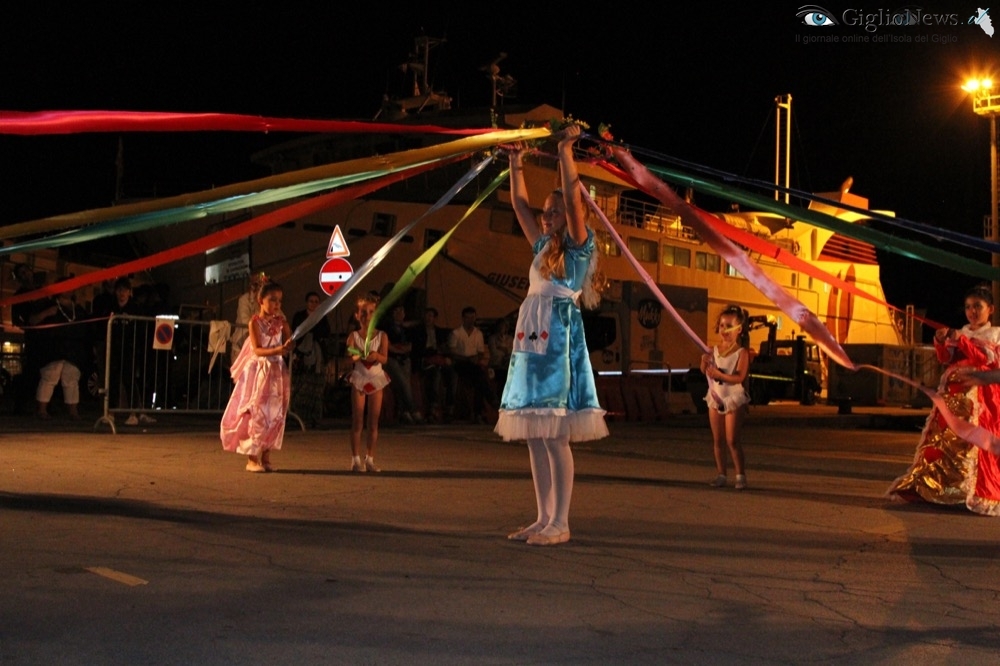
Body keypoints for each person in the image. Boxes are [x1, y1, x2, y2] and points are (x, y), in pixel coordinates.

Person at [497, 124, 608, 547]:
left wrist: (565, 151)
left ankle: (560, 521)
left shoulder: (579, 244)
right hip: (531, 340)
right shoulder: (542, 244)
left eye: (554, 211)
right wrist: (515, 159)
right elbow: (518, 202)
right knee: (535, 435)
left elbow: (574, 201)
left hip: (558, 338)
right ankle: (543, 517)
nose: (547, 216)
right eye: (547, 211)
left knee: (555, 434)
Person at [888, 285, 1000, 514]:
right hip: (952, 396)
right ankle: (939, 489)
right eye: (968, 307)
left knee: (974, 446)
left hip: (979, 400)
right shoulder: (962, 332)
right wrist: (941, 341)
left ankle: (976, 492)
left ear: (991, 309)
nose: (972, 312)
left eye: (977, 307)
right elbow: (945, 358)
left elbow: (987, 360)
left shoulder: (995, 334)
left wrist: (963, 341)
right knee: (946, 443)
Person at [220, 281, 294, 473]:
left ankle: (267, 456)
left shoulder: (281, 323)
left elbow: (290, 342)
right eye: (272, 300)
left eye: (279, 301)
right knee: (257, 413)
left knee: (275, 413)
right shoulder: (255, 322)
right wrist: (279, 349)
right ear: (261, 300)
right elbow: (258, 349)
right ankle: (252, 458)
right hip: (260, 372)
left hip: (276, 371)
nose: (277, 304)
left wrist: (289, 343)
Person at [700, 305, 751, 490]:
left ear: (739, 329)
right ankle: (721, 474)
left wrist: (720, 375)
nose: (724, 330)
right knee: (718, 439)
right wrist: (703, 363)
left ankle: (740, 475)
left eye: (729, 326)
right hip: (715, 397)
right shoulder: (714, 350)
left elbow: (739, 377)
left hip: (732, 398)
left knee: (732, 440)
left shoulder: (742, 353)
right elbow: (706, 372)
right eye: (721, 325)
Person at [346, 293, 390, 472]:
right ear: (357, 315)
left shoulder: (382, 336)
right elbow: (350, 355)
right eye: (363, 312)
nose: (367, 316)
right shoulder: (353, 336)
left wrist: (375, 356)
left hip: (376, 379)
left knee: (373, 421)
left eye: (371, 312)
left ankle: (370, 458)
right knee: (357, 420)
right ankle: (355, 459)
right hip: (359, 379)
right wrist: (357, 355)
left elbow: (384, 358)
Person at [31, 288, 90, 420]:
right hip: (53, 347)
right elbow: (32, 320)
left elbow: (86, 329)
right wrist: (46, 313)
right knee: (50, 377)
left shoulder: (78, 309)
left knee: (72, 379)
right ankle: (41, 410)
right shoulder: (49, 305)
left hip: (73, 348)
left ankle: (73, 412)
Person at [445, 306, 497, 423]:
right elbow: (452, 352)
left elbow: (481, 352)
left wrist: (476, 358)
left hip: (473, 364)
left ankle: (479, 411)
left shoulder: (478, 333)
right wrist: (467, 358)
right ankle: (489, 402)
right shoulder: (456, 333)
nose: (470, 320)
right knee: (478, 376)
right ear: (463, 318)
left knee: (479, 379)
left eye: (472, 317)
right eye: (468, 318)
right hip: (460, 363)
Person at [290, 291, 331, 428]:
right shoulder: (300, 316)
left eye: (316, 301)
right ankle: (299, 416)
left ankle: (315, 418)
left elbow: (325, 332)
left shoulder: (322, 316)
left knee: (316, 388)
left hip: (317, 356)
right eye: (311, 301)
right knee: (301, 387)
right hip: (303, 356)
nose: (313, 304)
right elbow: (297, 332)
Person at [384, 303, 423, 424]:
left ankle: (404, 411)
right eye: (397, 311)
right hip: (392, 359)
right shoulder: (387, 328)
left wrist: (403, 349)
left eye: (401, 311)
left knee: (404, 385)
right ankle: (413, 410)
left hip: (406, 359)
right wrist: (398, 349)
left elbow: (411, 346)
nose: (399, 314)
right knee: (403, 382)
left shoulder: (407, 329)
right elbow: (389, 346)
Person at [410, 306, 451, 422]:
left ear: (435, 318)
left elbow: (444, 347)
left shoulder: (440, 332)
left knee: (452, 374)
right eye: (426, 316)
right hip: (425, 360)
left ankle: (449, 407)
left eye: (431, 316)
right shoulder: (418, 331)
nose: (428, 318)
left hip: (439, 359)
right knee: (434, 375)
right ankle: (433, 408)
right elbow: (417, 349)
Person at [231, 272, 268, 365]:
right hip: (242, 346)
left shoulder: (266, 301)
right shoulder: (244, 300)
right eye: (257, 285)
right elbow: (245, 321)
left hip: (260, 349)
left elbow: (280, 317)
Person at [488, 317, 514, 397]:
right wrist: (505, 351)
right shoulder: (492, 338)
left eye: (504, 326)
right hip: (496, 364)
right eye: (500, 326)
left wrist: (502, 349)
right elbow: (494, 352)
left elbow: (512, 351)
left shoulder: (510, 339)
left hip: (507, 363)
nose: (502, 328)